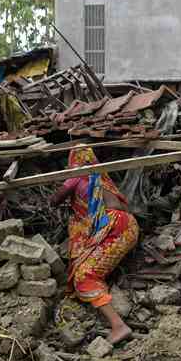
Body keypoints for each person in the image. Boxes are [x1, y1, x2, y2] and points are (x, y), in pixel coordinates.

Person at [50, 147, 139, 344]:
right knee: (90, 270)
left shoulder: (79, 174)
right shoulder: (101, 177)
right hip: (127, 225)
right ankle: (109, 300)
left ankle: (118, 325)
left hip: (112, 227)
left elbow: (54, 200)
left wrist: (64, 181)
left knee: (84, 276)